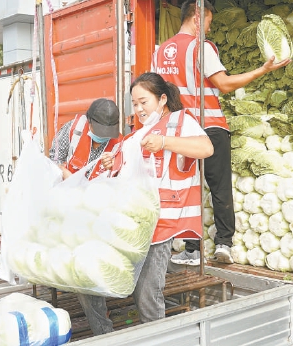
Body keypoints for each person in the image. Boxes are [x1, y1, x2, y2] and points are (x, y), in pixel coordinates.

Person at [153, 0, 291, 265]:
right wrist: (262, 70)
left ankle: (192, 248)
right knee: (219, 187)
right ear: (197, 17)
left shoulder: (161, 51)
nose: (210, 27)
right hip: (209, 125)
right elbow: (224, 84)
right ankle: (224, 244)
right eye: (209, 21)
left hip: (179, 132)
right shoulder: (199, 47)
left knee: (189, 187)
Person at [98, 72, 213, 329]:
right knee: (138, 289)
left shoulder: (179, 121)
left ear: (162, 99)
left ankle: (159, 338)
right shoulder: (138, 134)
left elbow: (206, 148)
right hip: (136, 223)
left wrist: (165, 142)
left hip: (162, 222)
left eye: (144, 102)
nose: (138, 109)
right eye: (135, 104)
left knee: (148, 292)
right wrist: (112, 162)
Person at [48, 97, 122, 335]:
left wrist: (114, 166)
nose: (104, 136)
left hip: (100, 214)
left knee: (97, 271)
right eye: (100, 130)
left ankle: (105, 321)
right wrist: (70, 177)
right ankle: (103, 330)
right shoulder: (71, 130)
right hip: (68, 211)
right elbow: (52, 163)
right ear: (89, 120)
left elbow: (123, 177)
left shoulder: (118, 141)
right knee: (85, 272)